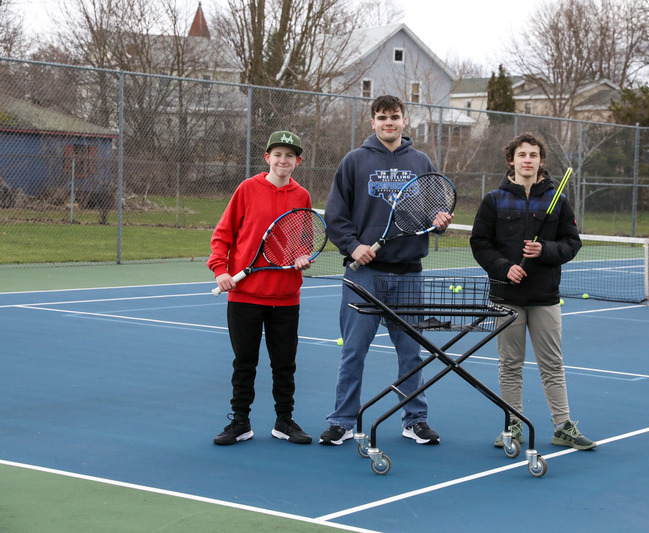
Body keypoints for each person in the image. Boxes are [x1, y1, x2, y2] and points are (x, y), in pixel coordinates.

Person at [320, 95, 452, 446]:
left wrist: (439, 222)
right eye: (382, 117)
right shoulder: (354, 161)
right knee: (353, 350)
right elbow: (335, 216)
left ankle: (415, 419)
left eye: (394, 117)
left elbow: (434, 212)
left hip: (408, 273)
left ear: (404, 121)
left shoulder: (421, 161)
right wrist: (353, 246)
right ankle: (343, 421)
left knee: (411, 351)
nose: (388, 123)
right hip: (363, 275)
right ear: (373, 122)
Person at [469, 132, 596, 451]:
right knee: (509, 365)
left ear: (541, 161)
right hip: (507, 297)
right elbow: (480, 244)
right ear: (511, 160)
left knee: (552, 364)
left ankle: (563, 426)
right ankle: (513, 426)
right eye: (522, 154)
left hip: (544, 298)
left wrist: (546, 250)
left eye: (534, 155)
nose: (528, 159)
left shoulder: (558, 200)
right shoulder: (494, 200)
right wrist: (503, 267)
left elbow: (572, 244)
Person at [208, 130, 314, 446]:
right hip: (244, 297)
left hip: (285, 297)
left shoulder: (302, 196)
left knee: (284, 365)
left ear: (297, 162)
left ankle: (284, 422)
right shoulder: (247, 189)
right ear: (267, 158)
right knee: (244, 363)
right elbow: (222, 235)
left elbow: (305, 238)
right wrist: (220, 270)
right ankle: (240, 422)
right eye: (278, 154)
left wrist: (302, 255)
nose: (283, 160)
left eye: (290, 156)